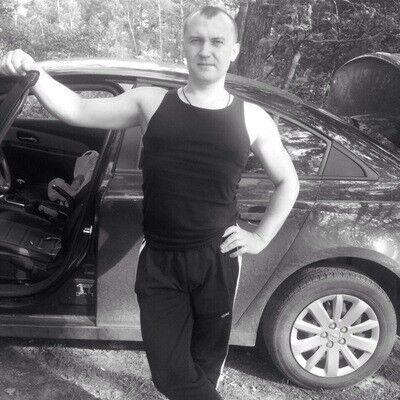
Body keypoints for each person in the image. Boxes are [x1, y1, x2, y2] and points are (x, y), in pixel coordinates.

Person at [0, 5, 299, 399]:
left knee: (205, 369)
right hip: (160, 260)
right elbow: (78, 109)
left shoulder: (252, 118)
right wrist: (35, 73)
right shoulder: (151, 103)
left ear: (234, 50)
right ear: (184, 46)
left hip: (218, 259)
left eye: (217, 41)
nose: (205, 50)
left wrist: (260, 237)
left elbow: (288, 182)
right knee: (170, 374)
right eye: (196, 40)